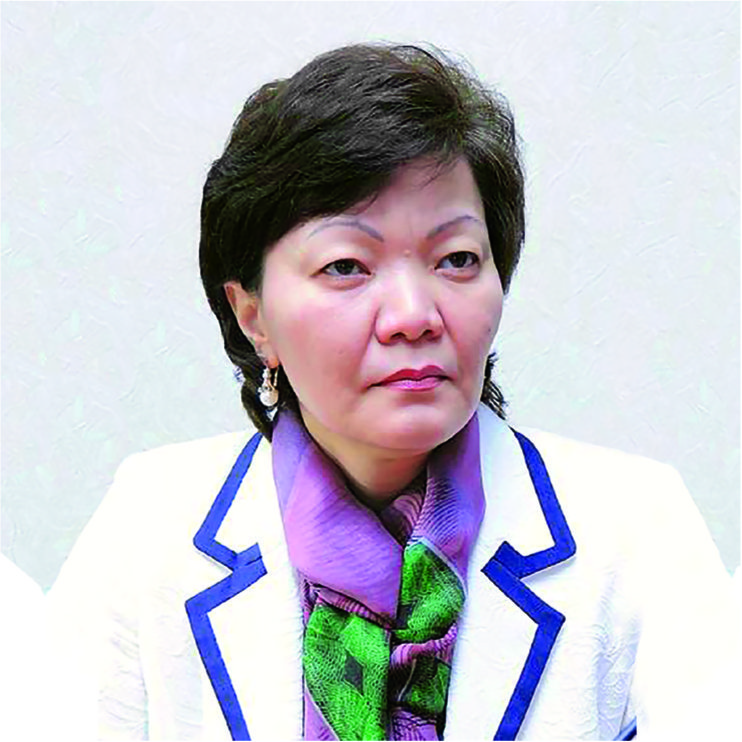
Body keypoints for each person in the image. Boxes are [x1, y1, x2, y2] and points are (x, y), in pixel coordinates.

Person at [47, 43, 739, 741]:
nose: (414, 314)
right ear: (252, 315)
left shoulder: (637, 528)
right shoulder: (148, 526)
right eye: (347, 265)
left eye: (457, 259)